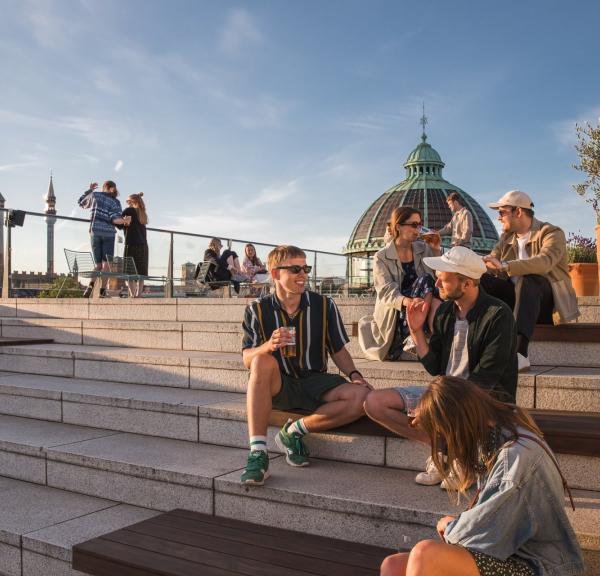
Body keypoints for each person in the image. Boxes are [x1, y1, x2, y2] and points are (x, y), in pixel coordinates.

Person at [380, 376, 584, 576]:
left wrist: (450, 525)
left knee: (427, 554)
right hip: (508, 554)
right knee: (393, 566)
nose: (447, 445)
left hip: (537, 565)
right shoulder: (498, 432)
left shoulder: (514, 457)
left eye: (445, 435)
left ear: (458, 424)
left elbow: (481, 533)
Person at [364, 246, 518, 487]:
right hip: (447, 392)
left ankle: (455, 455)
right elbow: (435, 367)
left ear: (466, 283)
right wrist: (416, 331)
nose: (436, 285)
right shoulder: (446, 311)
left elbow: (485, 380)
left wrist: (436, 405)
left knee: (442, 404)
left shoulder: (498, 314)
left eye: (443, 279)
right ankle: (447, 450)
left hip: (485, 399)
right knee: (374, 403)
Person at [240, 245, 372, 485]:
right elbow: (247, 358)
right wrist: (268, 346)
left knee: (363, 397)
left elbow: (338, 350)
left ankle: (293, 432)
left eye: (305, 268)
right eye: (295, 269)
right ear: (275, 274)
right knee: (261, 360)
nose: (303, 274)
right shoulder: (257, 309)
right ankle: (258, 453)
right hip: (279, 384)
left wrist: (354, 374)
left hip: (315, 381)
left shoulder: (324, 305)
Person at [481, 190, 580, 372]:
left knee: (529, 280)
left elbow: (544, 263)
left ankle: (520, 353)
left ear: (518, 212)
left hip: (547, 304)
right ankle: (477, 339)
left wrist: (504, 266)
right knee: (483, 280)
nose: (499, 218)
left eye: (502, 212)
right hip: (517, 303)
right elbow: (491, 260)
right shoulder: (506, 239)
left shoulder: (551, 233)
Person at [358, 207, 442, 362]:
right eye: (414, 225)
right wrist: (407, 301)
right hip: (398, 313)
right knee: (425, 280)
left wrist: (436, 250)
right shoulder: (381, 256)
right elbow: (385, 290)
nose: (418, 229)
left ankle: (428, 337)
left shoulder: (423, 249)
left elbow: (439, 278)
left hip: (421, 308)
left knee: (431, 284)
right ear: (398, 226)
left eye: (419, 225)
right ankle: (418, 336)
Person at [78, 181, 130, 297]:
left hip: (95, 232)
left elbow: (81, 203)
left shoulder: (95, 195)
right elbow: (115, 220)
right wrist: (125, 221)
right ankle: (102, 291)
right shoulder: (115, 202)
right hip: (108, 234)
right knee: (106, 265)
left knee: (98, 265)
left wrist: (90, 190)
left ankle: (90, 287)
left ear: (104, 187)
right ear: (114, 188)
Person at [122, 192, 149, 298]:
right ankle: (139, 294)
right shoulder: (142, 213)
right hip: (143, 246)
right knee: (141, 272)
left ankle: (133, 295)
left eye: (128, 201)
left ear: (131, 202)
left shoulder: (129, 210)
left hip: (131, 244)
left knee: (129, 272)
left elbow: (118, 220)